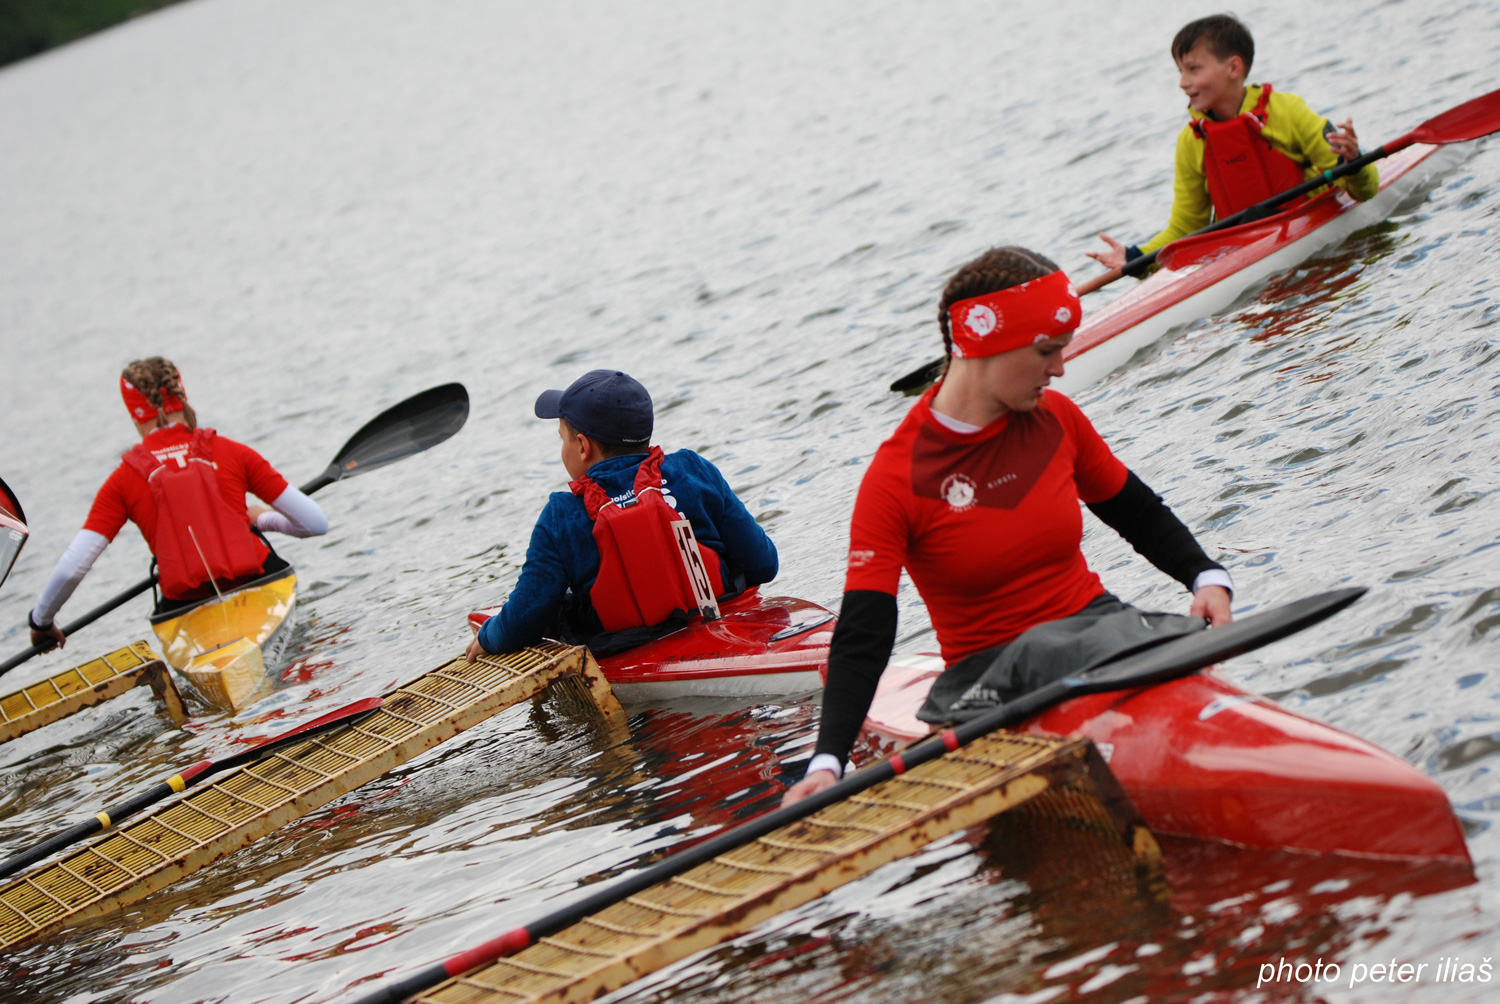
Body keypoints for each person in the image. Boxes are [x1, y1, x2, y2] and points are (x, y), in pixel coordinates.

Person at [783, 247, 1234, 807]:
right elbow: (865, 632)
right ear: (984, 345)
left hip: (1101, 632)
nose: (1061, 368)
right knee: (1062, 643)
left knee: (1117, 634)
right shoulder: (897, 477)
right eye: (1047, 351)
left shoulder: (1058, 420)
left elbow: (1136, 511)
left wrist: (1206, 576)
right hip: (992, 676)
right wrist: (828, 761)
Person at [466, 369, 779, 661]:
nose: (562, 448)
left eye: (562, 439)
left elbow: (524, 619)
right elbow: (764, 564)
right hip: (729, 621)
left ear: (582, 446)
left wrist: (489, 637)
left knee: (560, 606)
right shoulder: (692, 469)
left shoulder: (560, 515)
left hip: (631, 649)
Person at [27, 357, 328, 651]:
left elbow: (71, 569)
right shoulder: (232, 452)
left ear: (134, 416)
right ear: (182, 398)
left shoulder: (123, 480)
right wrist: (262, 519)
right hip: (260, 583)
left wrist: (41, 622)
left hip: (185, 608)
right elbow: (315, 523)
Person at [1088, 14, 1379, 271]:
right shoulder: (1191, 141)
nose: (1183, 82)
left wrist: (1354, 163)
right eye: (1180, 71)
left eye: (1193, 69)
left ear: (1233, 68)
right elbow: (1186, 227)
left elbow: (1364, 190)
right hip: (1244, 251)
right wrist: (1135, 258)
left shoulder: (1288, 111)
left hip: (1312, 226)